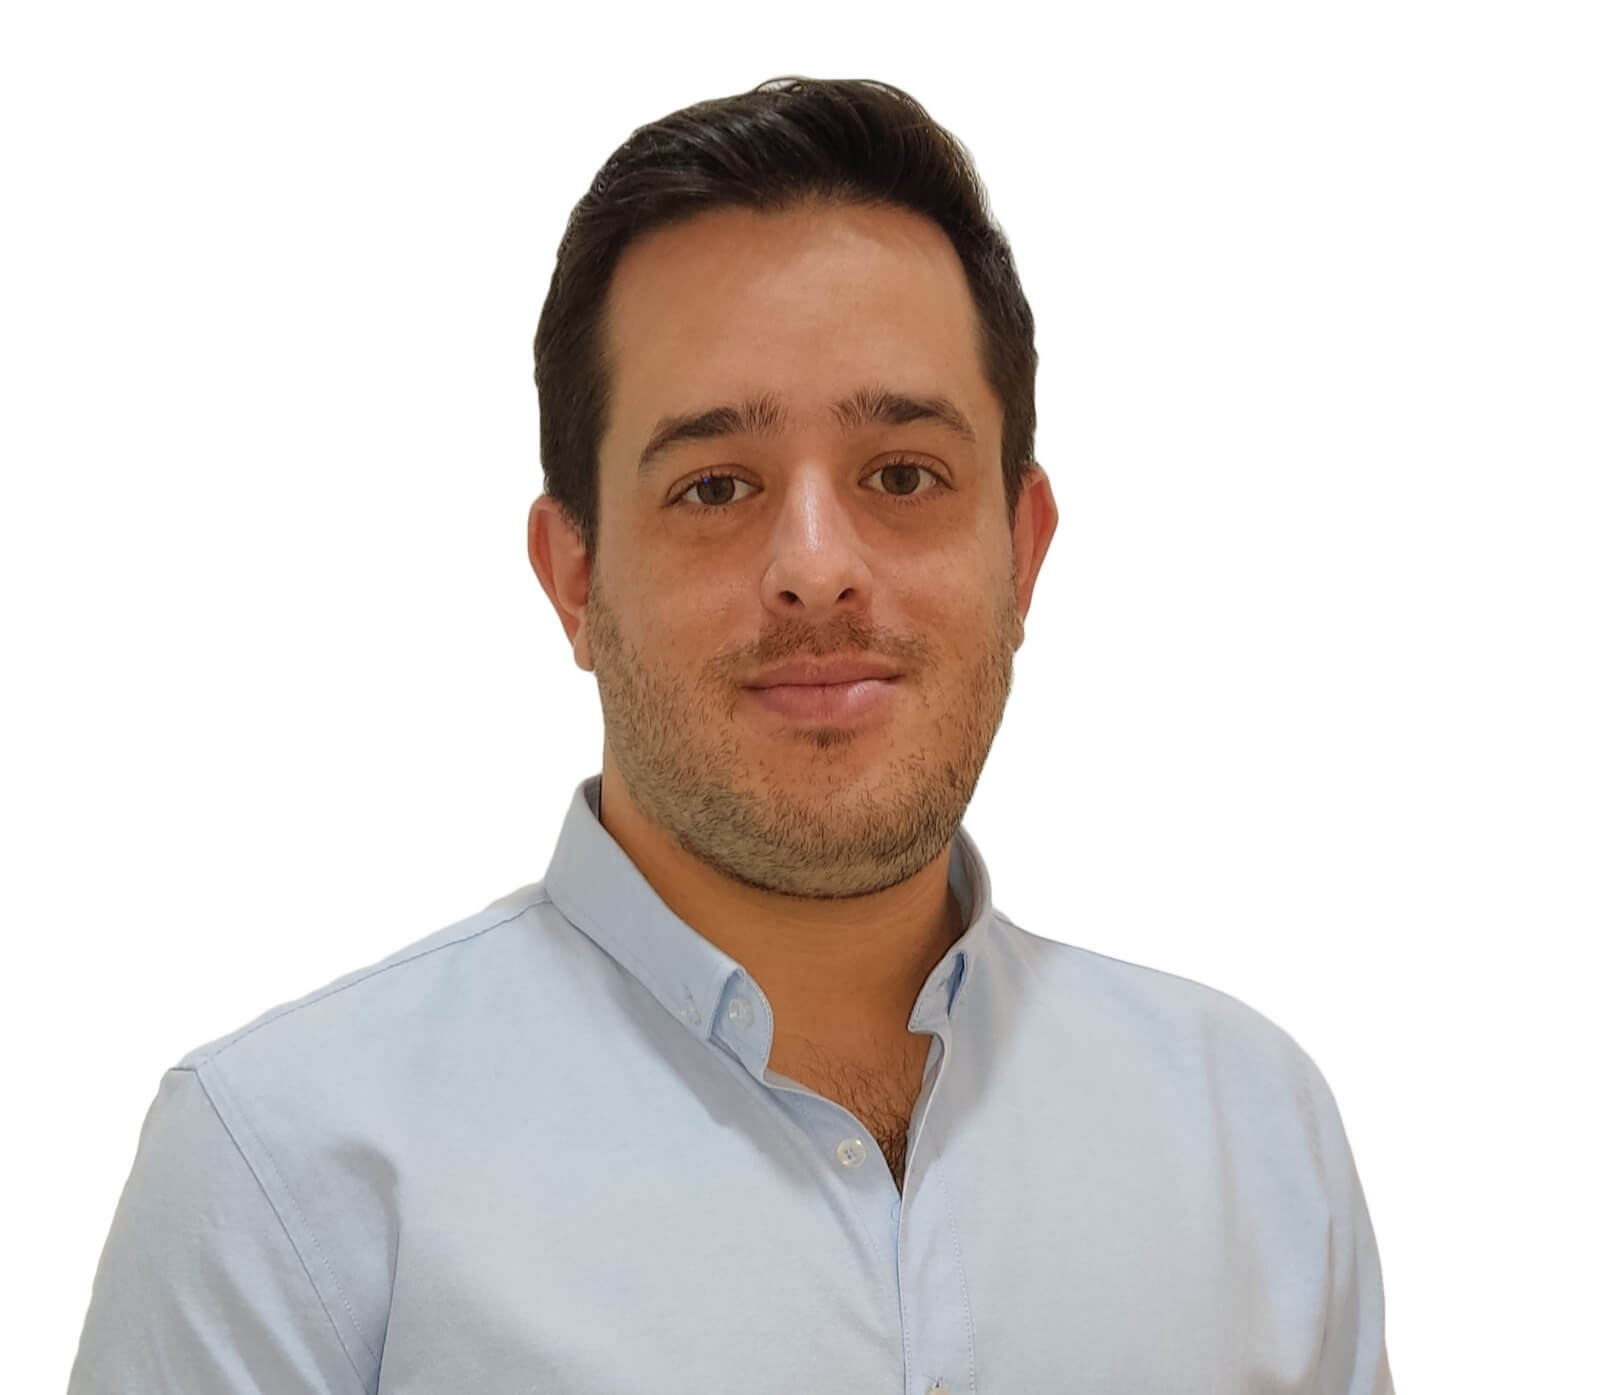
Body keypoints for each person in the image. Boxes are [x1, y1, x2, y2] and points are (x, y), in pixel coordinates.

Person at [68, 76, 1393, 1394]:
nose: (816, 569)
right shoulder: (283, 1181)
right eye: (714, 486)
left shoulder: (1253, 1140)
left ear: (1023, 552)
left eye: (904, 474)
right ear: (575, 577)